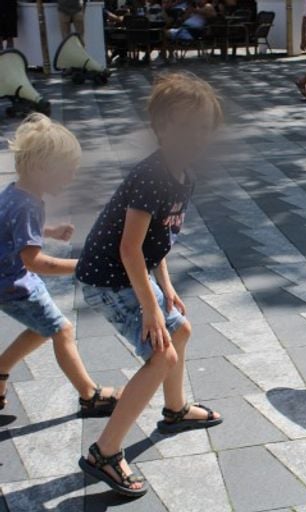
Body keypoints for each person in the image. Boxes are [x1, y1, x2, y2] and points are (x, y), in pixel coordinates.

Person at [76, 73, 223, 497]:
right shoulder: (152, 176)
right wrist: (151, 306)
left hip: (133, 271)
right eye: (183, 126)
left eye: (203, 127)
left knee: (182, 329)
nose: (194, 136)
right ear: (160, 128)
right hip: (109, 278)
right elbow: (128, 248)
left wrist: (166, 285)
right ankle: (104, 452)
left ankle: (175, 410)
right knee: (161, 353)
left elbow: (159, 241)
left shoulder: (184, 176)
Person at [0, 114, 122, 418]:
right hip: (13, 283)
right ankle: (89, 395)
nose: (70, 179)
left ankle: (0, 371)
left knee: (43, 328)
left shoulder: (16, 193)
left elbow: (14, 231)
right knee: (62, 330)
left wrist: (50, 231)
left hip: (8, 277)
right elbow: (35, 261)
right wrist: (82, 266)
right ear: (43, 169)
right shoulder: (28, 204)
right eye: (66, 172)